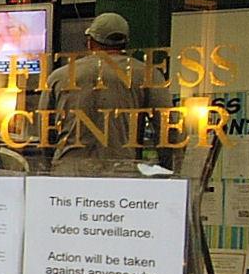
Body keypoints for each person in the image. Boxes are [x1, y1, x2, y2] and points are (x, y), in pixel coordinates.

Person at [43, 11, 172, 171]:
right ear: (125, 44)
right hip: (120, 172)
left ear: (90, 42)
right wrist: (169, 170)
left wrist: (49, 167)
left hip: (68, 171)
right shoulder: (147, 75)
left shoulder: (59, 76)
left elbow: (44, 131)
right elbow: (167, 130)